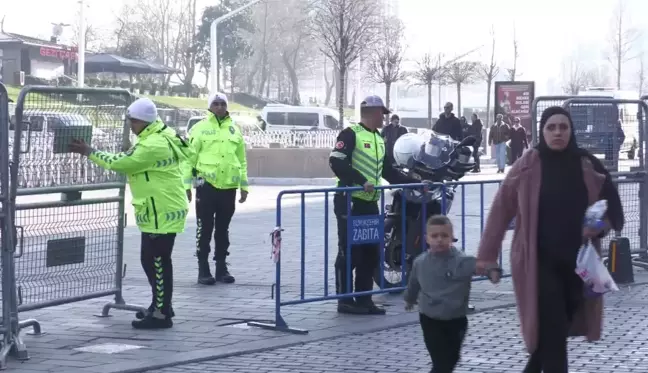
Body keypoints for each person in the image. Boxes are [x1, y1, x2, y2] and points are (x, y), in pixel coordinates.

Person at [476, 106, 624, 373]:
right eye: (551, 127)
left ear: (571, 131)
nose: (557, 132)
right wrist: (487, 258)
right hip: (537, 263)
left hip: (580, 266)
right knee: (552, 330)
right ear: (542, 132)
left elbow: (612, 206)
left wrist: (599, 226)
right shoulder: (527, 165)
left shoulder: (587, 164)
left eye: (563, 127)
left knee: (554, 332)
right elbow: (500, 211)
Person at [69, 98, 193, 329]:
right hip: (160, 208)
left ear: (144, 122)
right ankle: (161, 304)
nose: (131, 126)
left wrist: (89, 151)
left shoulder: (152, 145)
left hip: (161, 211)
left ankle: (161, 314)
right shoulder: (160, 134)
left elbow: (121, 163)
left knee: (157, 261)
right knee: (151, 259)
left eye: (133, 121)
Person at [329, 95, 422, 315]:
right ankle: (344, 300)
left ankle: (364, 299)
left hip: (369, 203)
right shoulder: (350, 134)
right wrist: (361, 181)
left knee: (371, 251)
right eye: (382, 113)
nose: (385, 117)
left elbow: (388, 172)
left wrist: (417, 183)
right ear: (372, 113)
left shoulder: (379, 139)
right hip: (349, 200)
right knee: (349, 251)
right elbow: (336, 161)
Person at [404, 215, 501, 373]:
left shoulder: (461, 261)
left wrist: (493, 271)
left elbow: (481, 266)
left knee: (452, 359)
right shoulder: (420, 262)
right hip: (430, 318)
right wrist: (409, 299)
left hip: (456, 319)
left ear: (452, 238)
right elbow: (413, 283)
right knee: (441, 362)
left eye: (444, 235)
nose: (439, 240)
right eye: (435, 236)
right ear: (426, 238)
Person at [187, 92, 249, 286]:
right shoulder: (199, 129)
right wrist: (187, 184)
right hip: (206, 185)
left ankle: (221, 267)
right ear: (209, 107)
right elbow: (189, 158)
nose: (220, 107)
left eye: (223, 104)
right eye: (216, 104)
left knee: (223, 229)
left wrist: (244, 185)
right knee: (204, 228)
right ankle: (203, 268)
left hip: (228, 187)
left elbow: (241, 160)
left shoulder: (234, 129)